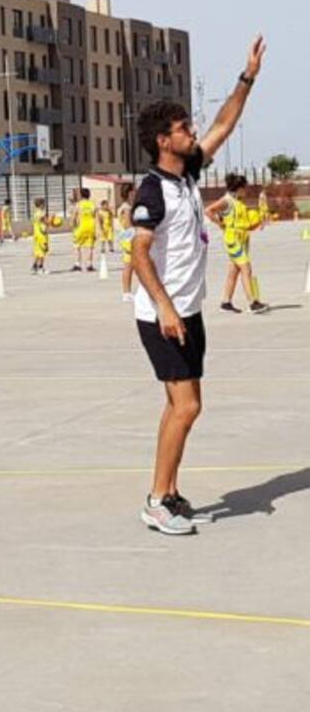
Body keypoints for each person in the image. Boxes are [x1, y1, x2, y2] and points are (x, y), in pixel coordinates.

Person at [131, 34, 265, 535]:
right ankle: (155, 500)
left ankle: (167, 491)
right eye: (183, 128)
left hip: (188, 310)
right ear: (164, 140)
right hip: (162, 317)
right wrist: (165, 308)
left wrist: (246, 77)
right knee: (187, 405)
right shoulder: (151, 192)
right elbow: (139, 253)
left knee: (182, 405)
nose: (192, 132)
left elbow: (225, 125)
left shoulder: (187, 172)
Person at [207, 173, 268, 315]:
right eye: (244, 187)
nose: (246, 190)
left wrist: (262, 206)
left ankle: (226, 302)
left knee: (233, 272)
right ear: (238, 188)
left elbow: (247, 223)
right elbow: (209, 210)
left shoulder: (238, 201)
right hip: (233, 239)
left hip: (242, 238)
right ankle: (252, 302)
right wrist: (220, 224)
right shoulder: (227, 200)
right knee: (246, 268)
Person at [116, 182, 136, 302]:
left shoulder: (125, 207)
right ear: (129, 193)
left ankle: (127, 291)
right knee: (129, 266)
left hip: (126, 238)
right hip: (129, 239)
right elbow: (128, 226)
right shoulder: (127, 209)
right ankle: (126, 292)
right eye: (134, 190)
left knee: (130, 266)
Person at [71, 187, 97, 272]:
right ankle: (89, 265)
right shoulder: (92, 204)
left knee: (76, 246)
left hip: (81, 227)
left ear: (81, 195)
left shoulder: (78, 204)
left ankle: (77, 264)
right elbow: (95, 216)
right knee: (89, 247)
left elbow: (74, 216)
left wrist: (73, 225)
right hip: (91, 227)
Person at [31, 197, 50, 274]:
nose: (44, 205)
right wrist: (52, 220)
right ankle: (41, 267)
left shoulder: (35, 213)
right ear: (41, 205)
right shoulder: (42, 213)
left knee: (37, 251)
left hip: (36, 234)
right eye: (44, 204)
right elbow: (46, 222)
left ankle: (34, 266)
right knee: (43, 251)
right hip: (42, 234)